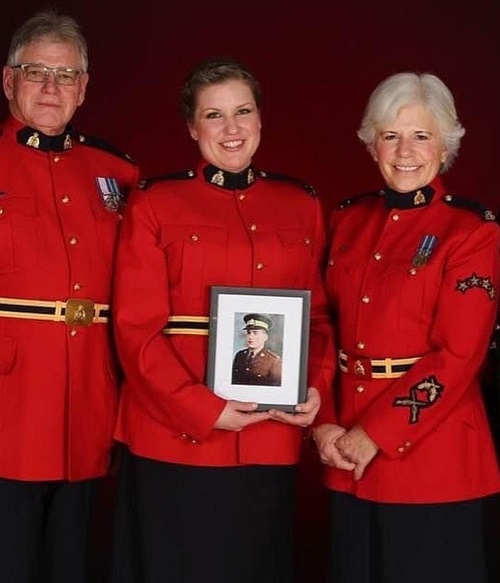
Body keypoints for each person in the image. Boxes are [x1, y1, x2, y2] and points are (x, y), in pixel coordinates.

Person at [110, 58, 335, 583]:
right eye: (214, 115)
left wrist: (314, 387)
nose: (232, 129)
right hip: (175, 435)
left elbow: (319, 320)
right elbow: (135, 330)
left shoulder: (300, 205)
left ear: (260, 120)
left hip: (268, 435)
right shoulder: (154, 203)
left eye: (243, 111)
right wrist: (203, 408)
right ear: (192, 127)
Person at [313, 71, 500, 583]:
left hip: (431, 460)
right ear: (372, 142)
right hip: (345, 451)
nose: (404, 150)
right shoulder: (347, 221)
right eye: (390, 135)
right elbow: (323, 324)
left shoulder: (472, 232)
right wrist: (322, 419)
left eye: (421, 135)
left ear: (446, 144)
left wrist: (374, 434)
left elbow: (459, 356)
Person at [0, 10, 139, 582]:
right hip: (10, 397)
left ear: (83, 88)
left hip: (87, 393)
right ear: (9, 81)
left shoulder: (117, 174)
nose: (51, 88)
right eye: (37, 73)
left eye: (65, 75)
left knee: (72, 561)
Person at [231, 312, 282, 386]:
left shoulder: (273, 361)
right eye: (249, 332)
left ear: (265, 337)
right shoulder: (239, 356)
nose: (250, 337)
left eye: (255, 333)